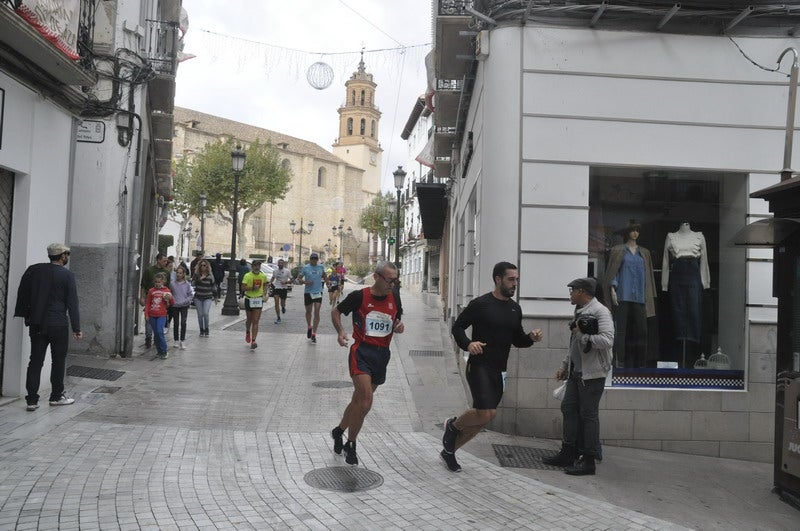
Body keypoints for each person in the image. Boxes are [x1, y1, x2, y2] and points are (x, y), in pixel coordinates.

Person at [441, 261, 544, 472]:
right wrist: (468, 344)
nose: (515, 283)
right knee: (485, 413)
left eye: (516, 280)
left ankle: (449, 451)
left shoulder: (515, 308)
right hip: (479, 366)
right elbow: (458, 327)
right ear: (498, 279)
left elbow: (518, 340)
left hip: (500, 368)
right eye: (511, 279)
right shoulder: (480, 304)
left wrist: (531, 338)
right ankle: (452, 425)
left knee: (483, 419)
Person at [330, 262, 404, 465]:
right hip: (361, 352)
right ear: (377, 277)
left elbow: (397, 320)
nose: (393, 284)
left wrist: (399, 326)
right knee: (366, 402)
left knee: (358, 402)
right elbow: (336, 312)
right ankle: (350, 445)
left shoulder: (395, 297)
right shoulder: (359, 297)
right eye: (390, 280)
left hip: (382, 356)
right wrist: (341, 332)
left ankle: (338, 431)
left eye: (396, 280)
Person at [543, 277, 614, 476]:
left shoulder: (600, 311)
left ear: (582, 292)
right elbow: (574, 344)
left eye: (572, 290)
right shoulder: (580, 310)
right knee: (568, 408)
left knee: (588, 416)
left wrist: (582, 335)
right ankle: (568, 452)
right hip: (577, 373)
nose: (570, 294)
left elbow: (607, 340)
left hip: (592, 375)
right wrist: (565, 366)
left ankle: (589, 460)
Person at [14, 243, 83, 410]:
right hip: (58, 324)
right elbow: (72, 303)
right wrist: (76, 328)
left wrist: (27, 316)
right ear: (62, 256)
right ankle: (56, 396)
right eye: (67, 254)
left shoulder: (34, 270)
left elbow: (23, 293)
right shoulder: (67, 276)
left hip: (37, 323)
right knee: (58, 361)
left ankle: (31, 400)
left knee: (35, 361)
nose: (67, 257)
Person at [603, 221, 656, 368]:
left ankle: (641, 364)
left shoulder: (644, 253)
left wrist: (649, 295)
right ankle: (619, 362)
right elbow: (614, 271)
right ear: (627, 232)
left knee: (642, 331)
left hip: (640, 297)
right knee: (621, 330)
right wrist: (613, 289)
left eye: (637, 230)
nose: (635, 233)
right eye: (632, 230)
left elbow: (648, 276)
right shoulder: (618, 250)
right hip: (622, 296)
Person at [139, 253, 170, 349]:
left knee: (158, 322)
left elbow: (168, 287)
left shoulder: (166, 272)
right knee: (148, 318)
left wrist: (168, 299)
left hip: (161, 300)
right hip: (150, 297)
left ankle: (156, 338)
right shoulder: (149, 271)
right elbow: (143, 285)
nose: (166, 262)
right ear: (158, 260)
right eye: (164, 260)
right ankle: (148, 337)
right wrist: (142, 297)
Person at [296, 252, 327, 343]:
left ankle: (314, 333)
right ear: (310, 259)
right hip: (308, 292)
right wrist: (305, 282)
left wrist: (328, 282)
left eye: (315, 259)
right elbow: (299, 279)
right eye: (312, 259)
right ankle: (309, 326)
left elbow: (324, 275)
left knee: (317, 312)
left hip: (318, 292)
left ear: (317, 260)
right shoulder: (306, 268)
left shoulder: (321, 267)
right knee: (308, 312)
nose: (314, 260)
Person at [144, 272, 173, 359]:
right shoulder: (151, 291)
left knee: (160, 332)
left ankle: (164, 351)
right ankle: (159, 351)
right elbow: (148, 303)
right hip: (152, 314)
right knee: (156, 333)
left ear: (163, 282)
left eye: (159, 282)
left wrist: (169, 298)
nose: (157, 283)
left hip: (162, 315)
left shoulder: (166, 291)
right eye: (156, 282)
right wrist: (146, 314)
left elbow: (172, 302)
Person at [241, 260, 268, 350]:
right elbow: (243, 288)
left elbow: (265, 284)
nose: (257, 267)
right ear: (252, 266)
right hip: (249, 299)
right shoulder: (247, 275)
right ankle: (248, 331)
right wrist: (252, 288)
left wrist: (264, 291)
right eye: (255, 265)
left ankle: (253, 341)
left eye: (259, 266)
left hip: (258, 299)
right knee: (249, 319)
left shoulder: (263, 276)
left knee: (255, 321)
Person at [169, 265, 193, 350]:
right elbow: (169, 294)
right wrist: (172, 300)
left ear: (183, 274)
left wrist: (186, 301)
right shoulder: (172, 284)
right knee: (176, 323)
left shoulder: (187, 284)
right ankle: (176, 340)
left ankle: (182, 340)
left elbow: (190, 295)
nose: (178, 275)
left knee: (183, 322)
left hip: (184, 306)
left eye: (180, 273)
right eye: (177, 273)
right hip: (175, 306)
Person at [192, 259, 217, 337]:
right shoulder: (196, 274)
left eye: (204, 265)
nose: (203, 267)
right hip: (198, 297)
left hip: (208, 297)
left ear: (207, 267)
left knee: (205, 313)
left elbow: (213, 286)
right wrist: (200, 279)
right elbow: (192, 284)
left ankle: (206, 329)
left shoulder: (210, 275)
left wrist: (215, 297)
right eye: (201, 265)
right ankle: (201, 330)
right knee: (200, 315)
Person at [270, 258, 292, 324]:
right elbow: (273, 278)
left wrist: (286, 282)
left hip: (284, 288)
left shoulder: (287, 271)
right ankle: (278, 317)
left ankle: (283, 307)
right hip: (277, 287)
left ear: (283, 264)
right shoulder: (275, 271)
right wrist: (270, 282)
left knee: (282, 303)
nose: (280, 264)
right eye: (279, 263)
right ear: (277, 264)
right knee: (276, 302)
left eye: (281, 263)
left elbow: (292, 279)